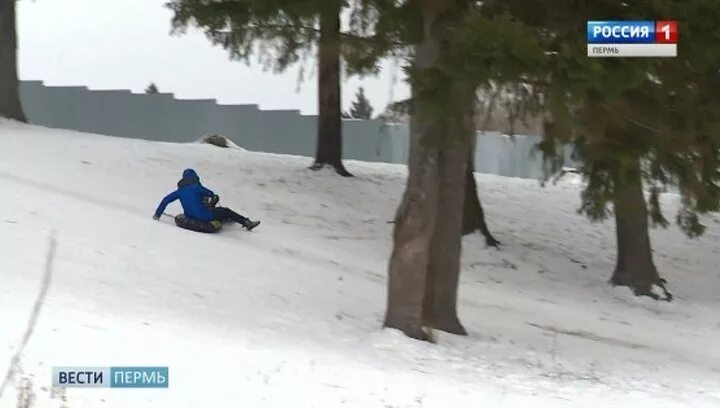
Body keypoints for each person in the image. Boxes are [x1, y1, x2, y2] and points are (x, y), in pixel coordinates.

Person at [153, 168, 260, 231]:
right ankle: (246, 223)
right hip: (204, 216)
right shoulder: (197, 187)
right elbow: (211, 194)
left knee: (209, 208)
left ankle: (229, 219)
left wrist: (157, 214)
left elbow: (165, 200)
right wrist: (210, 197)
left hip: (189, 216)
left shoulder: (180, 191)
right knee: (225, 211)